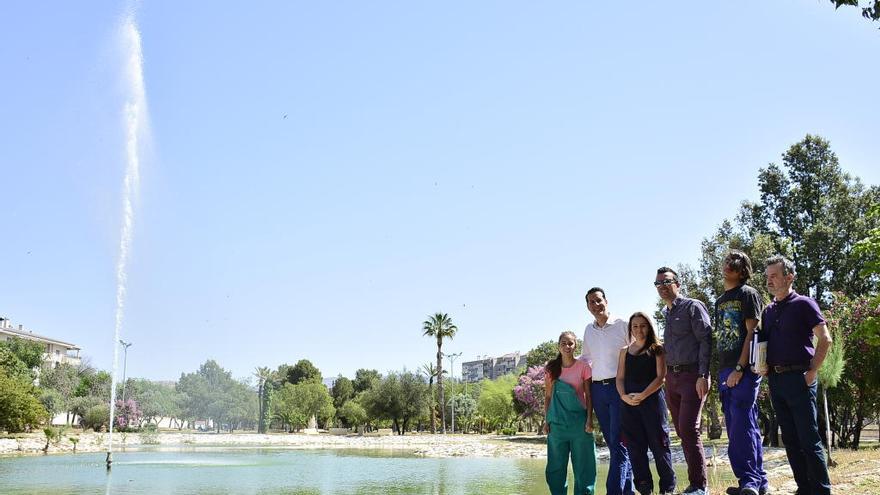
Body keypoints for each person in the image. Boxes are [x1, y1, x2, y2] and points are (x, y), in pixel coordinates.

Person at [759, 255, 832, 495]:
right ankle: (804, 488)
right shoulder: (768, 311)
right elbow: (763, 344)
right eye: (767, 276)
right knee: (789, 440)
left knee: (809, 439)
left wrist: (812, 371)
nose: (769, 281)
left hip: (800, 378)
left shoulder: (804, 304)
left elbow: (825, 339)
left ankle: (821, 490)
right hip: (777, 381)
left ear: (789, 277)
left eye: (774, 276)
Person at [655, 267, 712, 495]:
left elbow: (706, 340)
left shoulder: (692, 306)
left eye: (666, 282)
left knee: (689, 428)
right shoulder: (666, 313)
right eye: (658, 283)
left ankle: (700, 486)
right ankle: (694, 482)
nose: (662, 287)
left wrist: (703, 375)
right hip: (672, 378)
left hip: (692, 376)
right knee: (681, 429)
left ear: (677, 283)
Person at [715, 251, 768, 495]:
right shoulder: (720, 300)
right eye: (726, 262)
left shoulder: (748, 294)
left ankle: (750, 481)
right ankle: (755, 482)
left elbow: (752, 334)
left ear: (743, 270)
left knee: (742, 422)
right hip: (724, 369)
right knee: (736, 424)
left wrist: (739, 367)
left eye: (734, 264)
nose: (728, 267)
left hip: (743, 369)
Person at [580, 287, 634, 495]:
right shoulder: (588, 330)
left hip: (618, 388)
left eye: (598, 300)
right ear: (587, 307)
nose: (596, 305)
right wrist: (563, 367)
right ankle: (627, 491)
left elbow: (635, 352)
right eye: (591, 302)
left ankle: (614, 491)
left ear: (606, 301)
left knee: (619, 442)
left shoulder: (622, 325)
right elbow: (585, 359)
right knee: (614, 443)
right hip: (597, 390)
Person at [616, 312, 676, 495]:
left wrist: (643, 395)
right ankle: (644, 487)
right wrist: (623, 396)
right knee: (635, 448)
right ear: (630, 329)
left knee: (659, 445)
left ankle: (667, 488)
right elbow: (619, 378)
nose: (639, 329)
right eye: (635, 326)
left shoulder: (657, 349)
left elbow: (661, 378)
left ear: (648, 327)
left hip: (652, 403)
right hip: (629, 406)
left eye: (642, 325)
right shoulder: (624, 351)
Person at [544, 331, 597, 495]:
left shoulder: (583, 367)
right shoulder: (551, 368)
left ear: (575, 346)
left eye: (570, 343)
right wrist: (547, 421)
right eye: (563, 343)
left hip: (579, 425)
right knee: (556, 467)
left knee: (584, 467)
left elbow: (589, 395)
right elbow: (547, 396)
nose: (567, 346)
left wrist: (589, 419)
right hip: (557, 426)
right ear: (558, 346)